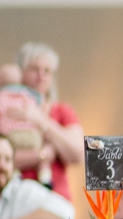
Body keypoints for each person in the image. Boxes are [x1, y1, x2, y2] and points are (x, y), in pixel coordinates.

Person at [10, 43, 84, 200]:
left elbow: (78, 154)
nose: (41, 75)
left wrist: (41, 121)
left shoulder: (62, 111)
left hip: (55, 198)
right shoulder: (5, 109)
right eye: (34, 69)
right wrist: (42, 155)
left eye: (47, 71)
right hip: (15, 197)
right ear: (20, 72)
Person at [0, 64, 48, 166]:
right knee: (42, 153)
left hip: (12, 135)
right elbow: (39, 104)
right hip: (32, 135)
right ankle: (45, 172)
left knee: (8, 153)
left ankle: (14, 174)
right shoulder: (27, 95)